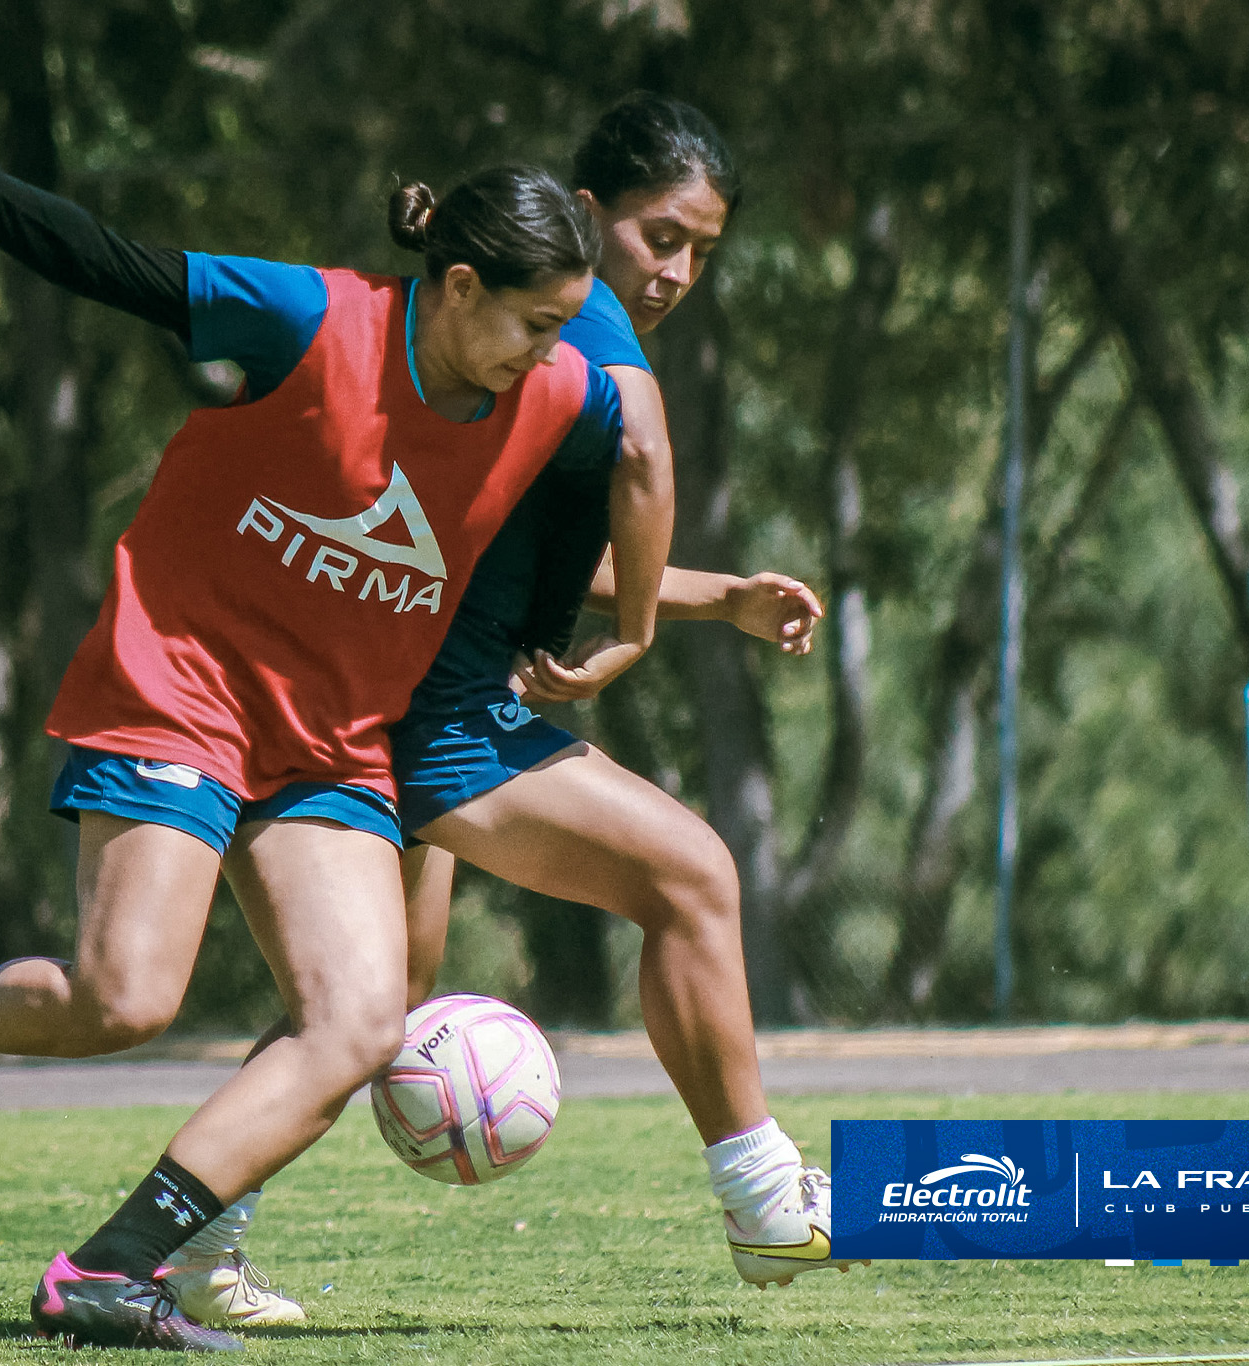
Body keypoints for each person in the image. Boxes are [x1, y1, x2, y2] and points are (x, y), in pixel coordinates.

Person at [0, 81, 666, 1353]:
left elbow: (600, 463)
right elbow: (103, 261)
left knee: (358, 1021)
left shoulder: (559, 392)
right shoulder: (312, 319)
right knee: (123, 1000)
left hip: (330, 735)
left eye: (570, 326)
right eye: (535, 321)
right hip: (181, 684)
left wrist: (548, 638)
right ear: (457, 287)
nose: (553, 352)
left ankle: (110, 1268)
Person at [163, 94, 853, 1327]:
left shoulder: (532, 342)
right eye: (660, 236)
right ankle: (766, 1206)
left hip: (403, 700)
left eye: (702, 249)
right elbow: (641, 451)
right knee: (691, 875)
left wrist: (712, 598)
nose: (678, 271)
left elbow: (514, 549)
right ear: (589, 218)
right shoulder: (577, 306)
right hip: (440, 718)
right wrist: (640, 631)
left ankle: (188, 1241)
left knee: (362, 1008)